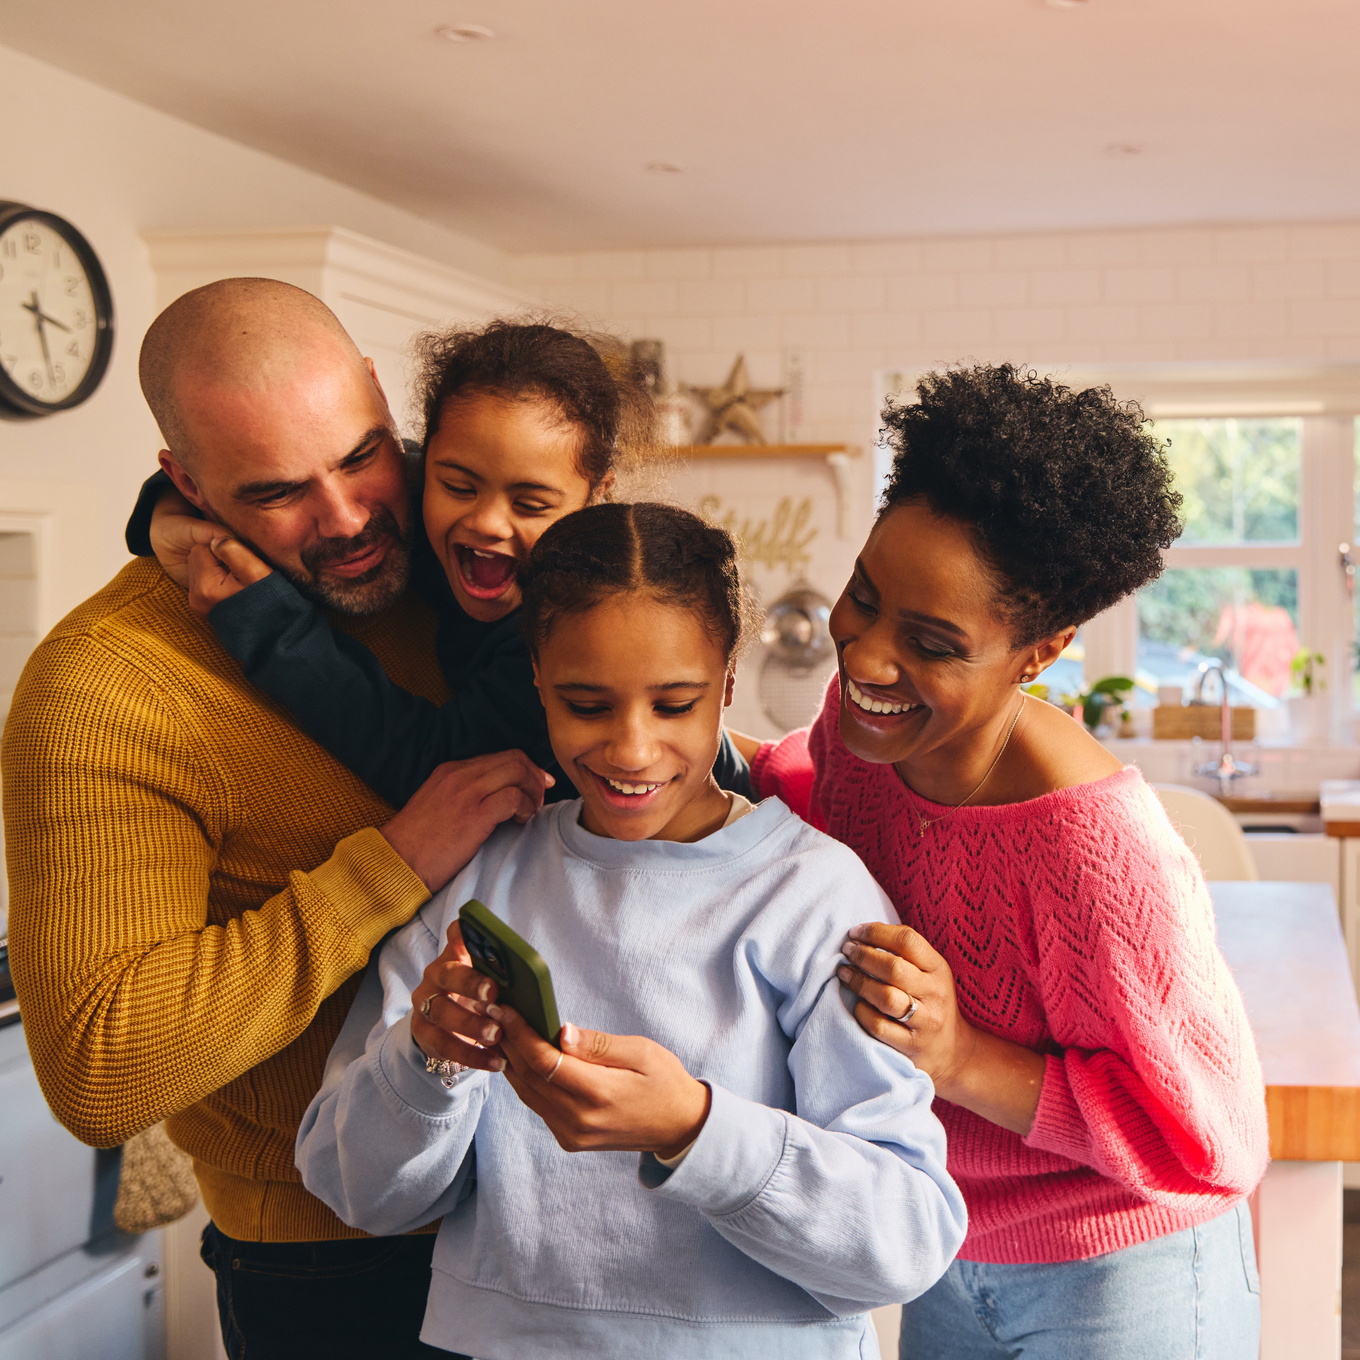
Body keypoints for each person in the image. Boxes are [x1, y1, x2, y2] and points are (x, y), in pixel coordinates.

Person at [2, 278, 553, 1360]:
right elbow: (102, 1069)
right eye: (274, 492)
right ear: (186, 485)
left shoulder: (454, 575)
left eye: (359, 457)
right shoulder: (108, 686)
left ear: (388, 411)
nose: (345, 521)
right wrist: (387, 865)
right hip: (344, 1260)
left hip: (563, 1206)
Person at [295, 503, 968, 1359]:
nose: (632, 749)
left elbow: (907, 1240)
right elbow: (353, 1189)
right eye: (586, 704)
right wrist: (426, 1061)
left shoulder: (813, 895)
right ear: (536, 677)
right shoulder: (487, 874)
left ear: (727, 683)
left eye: (675, 703)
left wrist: (693, 1127)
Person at [743, 365, 1270, 1359]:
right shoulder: (862, 736)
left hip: (1123, 1271)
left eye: (932, 641)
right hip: (940, 1238)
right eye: (864, 595)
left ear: (1040, 651)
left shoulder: (1093, 852)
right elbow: (804, 792)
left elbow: (1205, 1137)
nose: (861, 658)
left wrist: (956, 1054)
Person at [132, 319, 752, 805]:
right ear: (425, 462)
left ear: (597, 497)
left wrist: (272, 628)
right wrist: (177, 509)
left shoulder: (582, 623)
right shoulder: (407, 504)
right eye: (458, 485)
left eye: (531, 502)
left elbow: (437, 764)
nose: (485, 520)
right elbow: (277, 463)